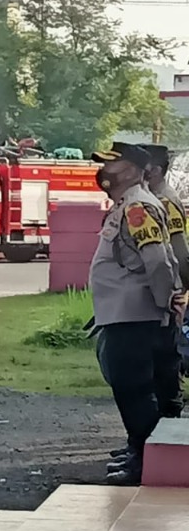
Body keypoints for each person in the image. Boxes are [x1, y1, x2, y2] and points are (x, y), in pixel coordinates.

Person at [92, 144, 182, 486]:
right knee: (132, 389)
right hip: (125, 313)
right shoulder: (128, 204)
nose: (103, 172)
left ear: (132, 170)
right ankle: (139, 453)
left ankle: (144, 462)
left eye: (110, 166)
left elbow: (159, 261)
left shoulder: (138, 207)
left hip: (134, 315)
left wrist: (163, 304)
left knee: (134, 389)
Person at [143, 145, 189, 421]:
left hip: (170, 291)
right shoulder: (152, 198)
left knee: (165, 359)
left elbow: (178, 251)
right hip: (158, 291)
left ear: (156, 171)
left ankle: (167, 421)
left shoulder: (165, 203)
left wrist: (180, 292)